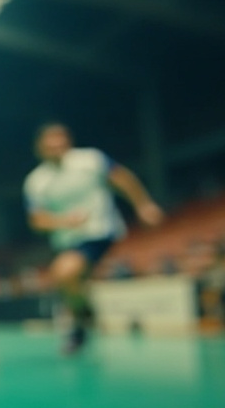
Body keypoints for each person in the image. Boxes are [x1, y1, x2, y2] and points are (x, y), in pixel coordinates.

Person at [23, 122, 164, 355]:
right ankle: (84, 316)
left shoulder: (90, 160)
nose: (57, 145)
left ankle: (81, 323)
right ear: (40, 147)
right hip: (67, 240)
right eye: (50, 142)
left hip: (100, 232)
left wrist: (143, 204)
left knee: (64, 272)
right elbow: (36, 220)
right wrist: (63, 222)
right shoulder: (35, 181)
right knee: (71, 282)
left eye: (61, 140)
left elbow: (122, 178)